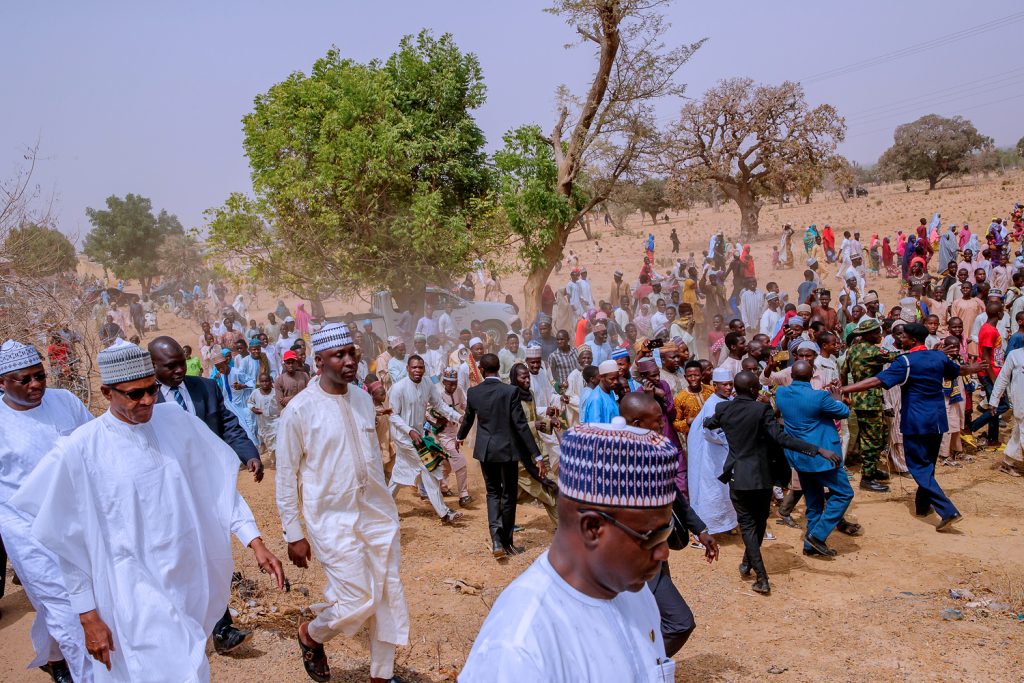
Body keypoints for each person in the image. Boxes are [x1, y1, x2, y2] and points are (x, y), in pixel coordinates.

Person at [11, 339, 284, 682]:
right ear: (107, 393)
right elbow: (69, 542)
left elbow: (215, 486)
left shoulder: (175, 421)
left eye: (152, 390)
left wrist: (253, 540)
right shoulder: (80, 449)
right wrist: (87, 615)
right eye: (134, 394)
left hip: (187, 579)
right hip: (130, 590)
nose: (148, 401)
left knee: (192, 666)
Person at [459, 422, 679, 682]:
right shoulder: (519, 649)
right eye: (653, 536)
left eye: (668, 531)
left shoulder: (635, 592)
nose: (663, 553)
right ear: (592, 528)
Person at [275, 323, 408, 683]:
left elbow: (373, 459)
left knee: (385, 592)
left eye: (352, 353)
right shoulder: (299, 411)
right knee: (357, 599)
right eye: (339, 355)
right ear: (319, 361)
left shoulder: (363, 400)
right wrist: (293, 532)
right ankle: (311, 634)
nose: (350, 361)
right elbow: (285, 475)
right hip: (331, 520)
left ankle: (382, 674)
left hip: (377, 514)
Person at [146, 336, 264, 652]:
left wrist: (248, 455)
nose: (178, 371)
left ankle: (221, 629)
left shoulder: (204, 388)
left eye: (181, 364)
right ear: (153, 366)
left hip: (206, 488)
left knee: (212, 555)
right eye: (169, 366)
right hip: (169, 496)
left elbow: (228, 425)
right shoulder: (146, 400)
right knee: (182, 562)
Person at [0, 341, 93, 683]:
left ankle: (54, 658)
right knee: (64, 605)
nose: (36, 384)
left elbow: (93, 445)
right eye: (24, 379)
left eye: (39, 375)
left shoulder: (64, 400)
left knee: (88, 597)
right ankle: (86, 675)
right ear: (2, 383)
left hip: (78, 520)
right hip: (27, 532)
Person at [705, 371, 840, 594]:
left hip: (739, 477)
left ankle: (753, 568)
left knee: (749, 526)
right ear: (753, 390)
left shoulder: (723, 408)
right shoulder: (761, 410)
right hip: (762, 477)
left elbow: (710, 423)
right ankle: (757, 572)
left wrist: (709, 422)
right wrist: (817, 449)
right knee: (757, 524)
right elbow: (781, 438)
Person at [842, 323, 985, 531]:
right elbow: (956, 371)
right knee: (928, 465)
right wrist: (973, 368)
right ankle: (922, 505)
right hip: (937, 420)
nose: (900, 339)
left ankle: (948, 511)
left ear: (913, 340)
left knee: (917, 466)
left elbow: (876, 381)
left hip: (916, 421)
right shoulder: (938, 357)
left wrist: (845, 389)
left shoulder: (906, 362)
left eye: (904, 336)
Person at [619, 392, 718, 655]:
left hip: (656, 554)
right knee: (680, 623)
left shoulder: (652, 454)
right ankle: (638, 667)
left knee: (651, 618)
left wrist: (700, 529)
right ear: (637, 424)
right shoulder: (617, 463)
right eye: (657, 422)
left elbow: (674, 496)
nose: (663, 426)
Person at [456, 353, 552, 557]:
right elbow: (521, 426)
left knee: (493, 494)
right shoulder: (510, 391)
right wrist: (536, 455)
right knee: (508, 495)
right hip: (508, 451)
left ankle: (496, 541)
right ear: (499, 369)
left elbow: (468, 419)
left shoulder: (474, 392)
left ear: (482, 370)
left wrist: (459, 437)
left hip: (486, 451)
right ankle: (507, 543)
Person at [773, 361, 854, 557]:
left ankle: (810, 547)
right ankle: (817, 536)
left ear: (792, 375)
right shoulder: (819, 397)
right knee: (844, 493)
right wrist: (837, 399)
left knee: (814, 501)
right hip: (823, 457)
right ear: (812, 377)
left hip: (799, 456)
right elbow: (843, 412)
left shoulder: (781, 393)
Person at [388, 355, 464, 524]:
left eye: (420, 367)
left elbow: (439, 405)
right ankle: (444, 513)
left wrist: (458, 417)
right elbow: (393, 416)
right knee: (429, 467)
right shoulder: (398, 388)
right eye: (414, 367)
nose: (417, 371)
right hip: (403, 438)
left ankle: (384, 507)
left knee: (399, 474)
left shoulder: (427, 384)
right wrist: (409, 431)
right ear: (407, 369)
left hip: (418, 436)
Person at [842, 320, 896, 492]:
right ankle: (867, 478)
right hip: (870, 400)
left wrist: (846, 394)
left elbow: (843, 372)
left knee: (873, 435)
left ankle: (871, 470)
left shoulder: (852, 350)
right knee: (872, 439)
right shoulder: (873, 351)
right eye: (876, 332)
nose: (880, 335)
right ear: (868, 335)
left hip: (858, 399)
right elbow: (896, 357)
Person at [686, 367, 737, 535]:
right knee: (713, 489)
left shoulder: (728, 400)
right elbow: (709, 433)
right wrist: (729, 438)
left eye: (730, 384)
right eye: (724, 385)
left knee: (724, 490)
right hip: (712, 455)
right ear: (715, 386)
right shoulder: (712, 405)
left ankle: (726, 525)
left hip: (723, 453)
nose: (728, 387)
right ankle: (709, 528)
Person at [247, 372, 280, 467]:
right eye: (262, 381)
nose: (264, 383)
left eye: (266, 381)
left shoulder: (275, 392)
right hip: (263, 423)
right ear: (259, 382)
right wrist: (253, 409)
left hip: (276, 421)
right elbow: (250, 402)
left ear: (270, 381)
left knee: (278, 441)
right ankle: (274, 460)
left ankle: (279, 461)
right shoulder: (255, 393)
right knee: (269, 443)